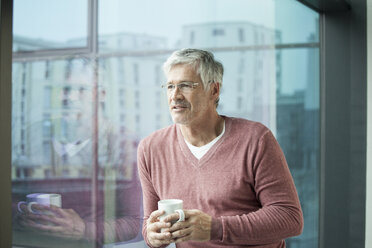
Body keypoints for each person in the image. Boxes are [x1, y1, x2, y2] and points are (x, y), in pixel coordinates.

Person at [137, 48, 303, 248]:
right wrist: (153, 236)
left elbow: (289, 217)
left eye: (186, 86)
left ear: (214, 90)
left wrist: (215, 228)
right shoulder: (150, 149)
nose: (175, 95)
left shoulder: (256, 139)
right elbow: (149, 224)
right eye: (170, 86)